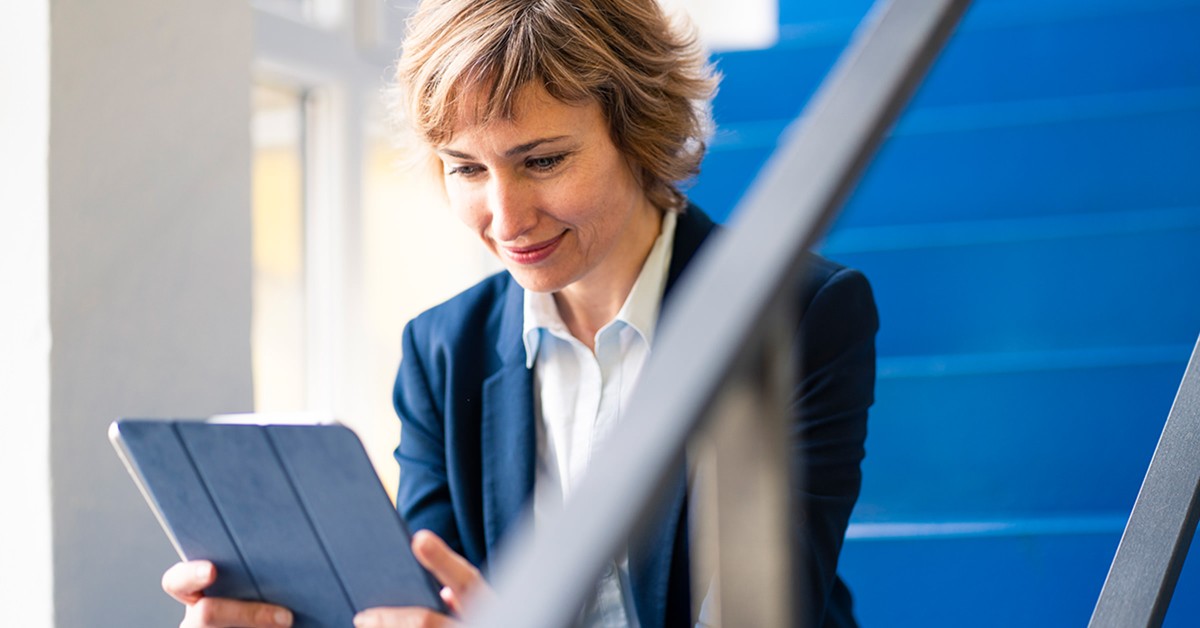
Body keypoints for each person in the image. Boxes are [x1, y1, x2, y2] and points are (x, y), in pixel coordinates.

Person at [161, 0, 878, 626]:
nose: (505, 220)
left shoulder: (795, 317)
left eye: (541, 161)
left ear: (639, 132)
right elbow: (426, 596)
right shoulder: (442, 351)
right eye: (467, 168)